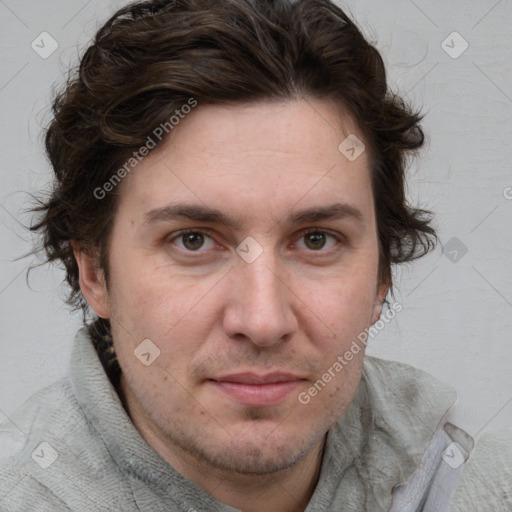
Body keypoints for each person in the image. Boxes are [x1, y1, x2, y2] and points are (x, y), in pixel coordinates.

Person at [0, 0, 510, 510]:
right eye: (193, 240)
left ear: (382, 277)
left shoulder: (476, 489)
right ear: (94, 273)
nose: (263, 321)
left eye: (316, 239)